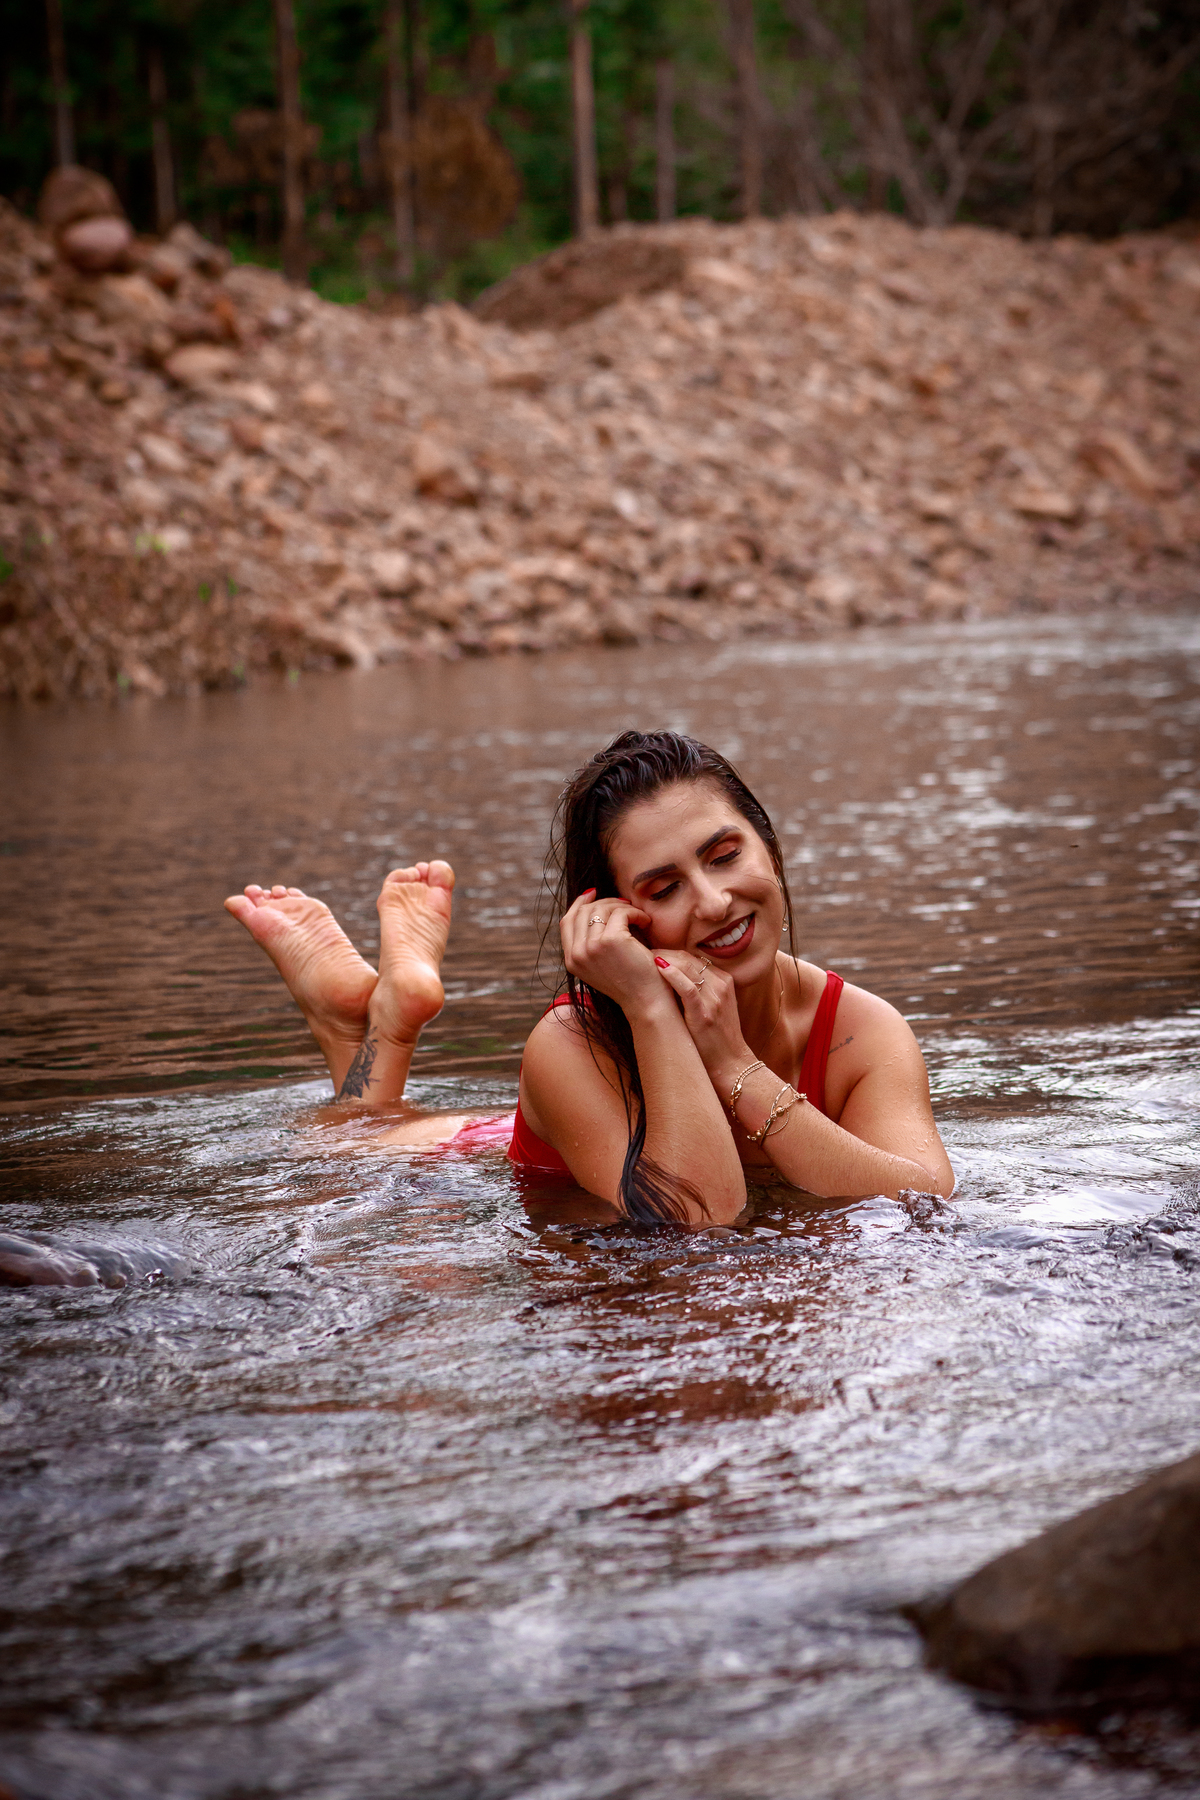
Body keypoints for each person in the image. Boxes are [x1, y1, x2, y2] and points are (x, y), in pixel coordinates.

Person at [225, 730, 953, 1227]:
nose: (712, 901)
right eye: (663, 888)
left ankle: (368, 1020)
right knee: (342, 1149)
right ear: (614, 918)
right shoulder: (573, 1043)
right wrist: (648, 1005)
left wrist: (733, 1062)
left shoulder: (863, 1029)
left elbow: (928, 1198)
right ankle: (380, 1024)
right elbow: (701, 1218)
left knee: (373, 1123)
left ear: (767, 845)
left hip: (584, 1134)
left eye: (726, 854)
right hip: (511, 1152)